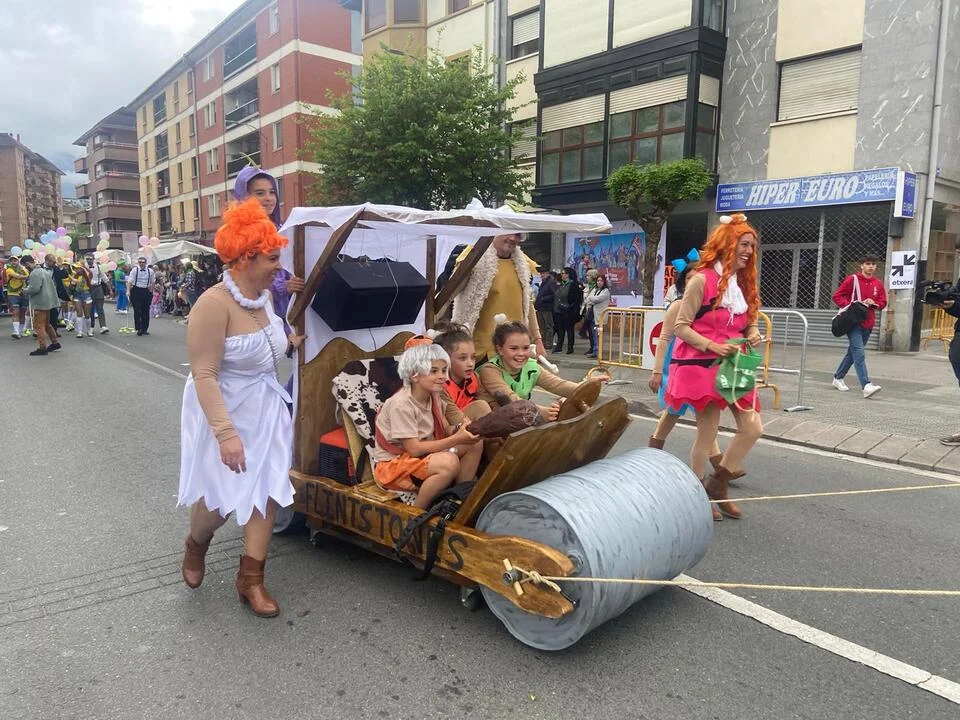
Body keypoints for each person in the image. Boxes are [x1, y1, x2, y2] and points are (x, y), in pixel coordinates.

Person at [178, 198, 304, 618]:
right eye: (272, 259)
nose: (278, 268)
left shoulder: (264, 298)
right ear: (246, 258)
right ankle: (197, 544)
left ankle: (251, 579)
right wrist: (225, 433)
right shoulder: (212, 305)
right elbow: (204, 375)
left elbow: (267, 347)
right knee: (217, 501)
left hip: (266, 409)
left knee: (265, 491)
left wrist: (291, 344)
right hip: (225, 410)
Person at [664, 213, 764, 521]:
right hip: (702, 365)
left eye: (751, 245)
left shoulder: (743, 282)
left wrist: (753, 332)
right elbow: (681, 326)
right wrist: (711, 345)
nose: (748, 251)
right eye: (743, 244)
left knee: (752, 427)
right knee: (707, 436)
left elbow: (747, 321)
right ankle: (697, 496)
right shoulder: (700, 280)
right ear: (727, 244)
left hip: (734, 365)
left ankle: (718, 483)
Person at [372, 340, 483, 510]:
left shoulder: (433, 395)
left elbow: (446, 429)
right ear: (414, 375)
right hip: (395, 466)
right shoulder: (401, 404)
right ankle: (417, 513)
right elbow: (414, 449)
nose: (442, 376)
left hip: (425, 457)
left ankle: (456, 498)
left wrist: (460, 429)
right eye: (434, 371)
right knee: (449, 462)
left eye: (444, 370)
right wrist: (456, 439)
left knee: (474, 441)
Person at [478, 320, 607, 421]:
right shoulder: (489, 371)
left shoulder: (531, 366)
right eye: (514, 348)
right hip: (492, 425)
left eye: (525, 348)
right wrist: (542, 412)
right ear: (500, 349)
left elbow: (559, 385)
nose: (521, 353)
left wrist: (589, 386)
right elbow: (511, 400)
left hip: (518, 419)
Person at [450, 233, 546, 361]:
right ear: (493, 232)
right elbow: (449, 294)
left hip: (515, 351)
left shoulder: (522, 264)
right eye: (507, 232)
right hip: (482, 352)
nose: (512, 238)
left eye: (517, 235)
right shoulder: (474, 256)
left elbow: (527, 305)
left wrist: (538, 339)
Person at [233, 167, 306, 334]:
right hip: (256, 318)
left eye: (272, 192)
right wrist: (283, 287)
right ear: (244, 197)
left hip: (288, 317)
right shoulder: (239, 235)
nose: (268, 198)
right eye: (260, 193)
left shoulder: (281, 229)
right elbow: (245, 281)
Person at [831, 255, 886, 399]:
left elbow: (883, 302)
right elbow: (837, 296)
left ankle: (838, 377)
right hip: (853, 322)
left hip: (868, 322)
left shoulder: (878, 283)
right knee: (859, 353)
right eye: (867, 263)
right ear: (861, 265)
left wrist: (874, 303)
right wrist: (852, 305)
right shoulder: (852, 279)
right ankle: (866, 385)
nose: (871, 266)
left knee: (852, 353)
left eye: (873, 264)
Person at [432, 322, 492, 424]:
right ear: (445, 359)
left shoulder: (474, 377)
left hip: (474, 423)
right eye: (463, 358)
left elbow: (489, 402)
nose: (470, 364)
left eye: (473, 357)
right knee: (480, 407)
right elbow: (454, 419)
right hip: (454, 427)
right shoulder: (440, 385)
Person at [21, 255, 60, 356]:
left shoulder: (35, 273)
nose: (25, 268)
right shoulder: (43, 271)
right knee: (47, 324)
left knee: (39, 326)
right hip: (48, 302)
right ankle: (55, 343)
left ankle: (42, 348)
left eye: (25, 266)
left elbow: (34, 289)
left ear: (27, 263)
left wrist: (24, 290)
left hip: (40, 303)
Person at [552, 267, 583, 355]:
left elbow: (576, 300)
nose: (561, 275)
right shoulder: (561, 285)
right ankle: (559, 347)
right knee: (559, 329)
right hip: (558, 311)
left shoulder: (573, 285)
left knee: (569, 330)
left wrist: (571, 309)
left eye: (563, 273)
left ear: (567, 275)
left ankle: (570, 347)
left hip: (568, 311)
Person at [583, 273, 611, 358]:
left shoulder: (606, 291)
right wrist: (592, 299)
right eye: (598, 281)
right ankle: (595, 351)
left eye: (601, 281)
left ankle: (599, 352)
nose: (599, 282)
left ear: (604, 282)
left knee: (599, 336)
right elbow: (587, 299)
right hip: (593, 317)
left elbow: (597, 299)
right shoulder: (595, 289)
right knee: (594, 335)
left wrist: (591, 299)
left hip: (600, 318)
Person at [128, 256, 156, 336]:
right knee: (137, 310)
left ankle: (145, 329)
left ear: (146, 263)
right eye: (140, 262)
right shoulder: (135, 270)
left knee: (146, 310)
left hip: (146, 290)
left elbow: (153, 281)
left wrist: (151, 290)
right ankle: (139, 328)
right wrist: (128, 291)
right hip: (136, 290)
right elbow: (129, 281)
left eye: (143, 262)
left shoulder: (150, 271)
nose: (141, 264)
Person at [5, 255, 30, 338]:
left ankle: (22, 331)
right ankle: (16, 331)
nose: (13, 262)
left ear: (18, 261)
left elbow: (28, 275)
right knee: (15, 311)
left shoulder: (23, 269)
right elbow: (17, 276)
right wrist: (24, 276)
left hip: (23, 293)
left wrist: (23, 271)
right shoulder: (9, 270)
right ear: (9, 262)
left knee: (23, 312)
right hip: (12, 293)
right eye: (11, 261)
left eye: (15, 260)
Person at [85, 254, 110, 334]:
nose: (89, 260)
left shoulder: (99, 267)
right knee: (90, 309)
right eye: (87, 259)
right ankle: (91, 327)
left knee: (100, 308)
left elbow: (105, 279)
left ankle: (103, 326)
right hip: (88, 289)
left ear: (93, 259)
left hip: (98, 288)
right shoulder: (83, 268)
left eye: (90, 258)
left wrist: (110, 290)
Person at [534, 267, 557, 351]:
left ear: (547, 273)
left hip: (547, 307)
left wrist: (544, 299)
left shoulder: (551, 282)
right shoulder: (543, 282)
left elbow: (554, 294)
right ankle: (543, 342)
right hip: (540, 307)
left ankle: (548, 343)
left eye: (543, 273)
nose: (541, 275)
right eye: (541, 273)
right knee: (542, 327)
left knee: (548, 326)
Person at [71, 260, 93, 338]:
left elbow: (90, 273)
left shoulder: (87, 275)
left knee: (87, 315)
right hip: (77, 295)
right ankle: (79, 331)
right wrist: (72, 283)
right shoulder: (75, 276)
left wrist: (85, 267)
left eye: (78, 268)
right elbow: (72, 286)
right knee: (79, 313)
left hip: (86, 294)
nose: (76, 270)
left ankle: (89, 330)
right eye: (75, 268)